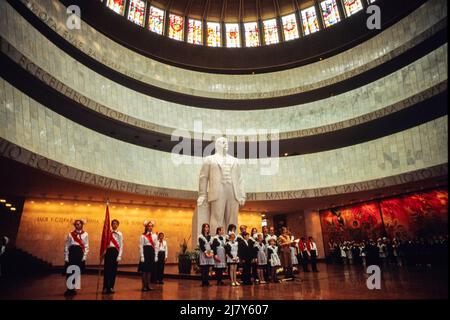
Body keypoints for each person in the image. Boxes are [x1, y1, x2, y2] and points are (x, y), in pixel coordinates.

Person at [197, 137, 246, 234]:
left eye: (227, 143)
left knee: (232, 218)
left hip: (233, 191)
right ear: (217, 145)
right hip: (218, 190)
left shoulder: (235, 160)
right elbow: (203, 177)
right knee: (217, 217)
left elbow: (240, 179)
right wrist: (202, 194)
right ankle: (216, 240)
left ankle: (232, 241)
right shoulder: (209, 159)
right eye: (223, 142)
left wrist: (242, 195)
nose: (226, 144)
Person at [64, 219, 89, 296]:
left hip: (79, 253)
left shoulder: (85, 234)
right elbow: (67, 246)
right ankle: (69, 289)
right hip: (72, 252)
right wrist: (66, 256)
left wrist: (84, 257)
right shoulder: (70, 234)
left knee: (77, 271)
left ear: (82, 225)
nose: (77, 225)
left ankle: (74, 288)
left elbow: (86, 246)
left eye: (79, 224)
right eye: (76, 224)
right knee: (70, 271)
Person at [102, 219, 123, 294]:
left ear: (118, 225)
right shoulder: (108, 233)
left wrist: (119, 256)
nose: (114, 225)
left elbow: (121, 245)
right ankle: (105, 287)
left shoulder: (120, 234)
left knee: (113, 271)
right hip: (108, 252)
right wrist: (103, 252)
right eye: (113, 223)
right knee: (106, 271)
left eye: (116, 224)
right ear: (111, 224)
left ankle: (111, 287)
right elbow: (104, 243)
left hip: (115, 252)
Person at [138, 220, 158, 291]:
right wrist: (142, 256)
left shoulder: (155, 236)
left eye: (151, 226)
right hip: (145, 252)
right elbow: (141, 246)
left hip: (151, 253)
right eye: (149, 226)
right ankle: (144, 286)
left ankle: (148, 285)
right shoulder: (143, 236)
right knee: (144, 270)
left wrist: (156, 256)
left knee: (149, 270)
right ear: (146, 227)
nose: (150, 227)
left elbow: (156, 246)